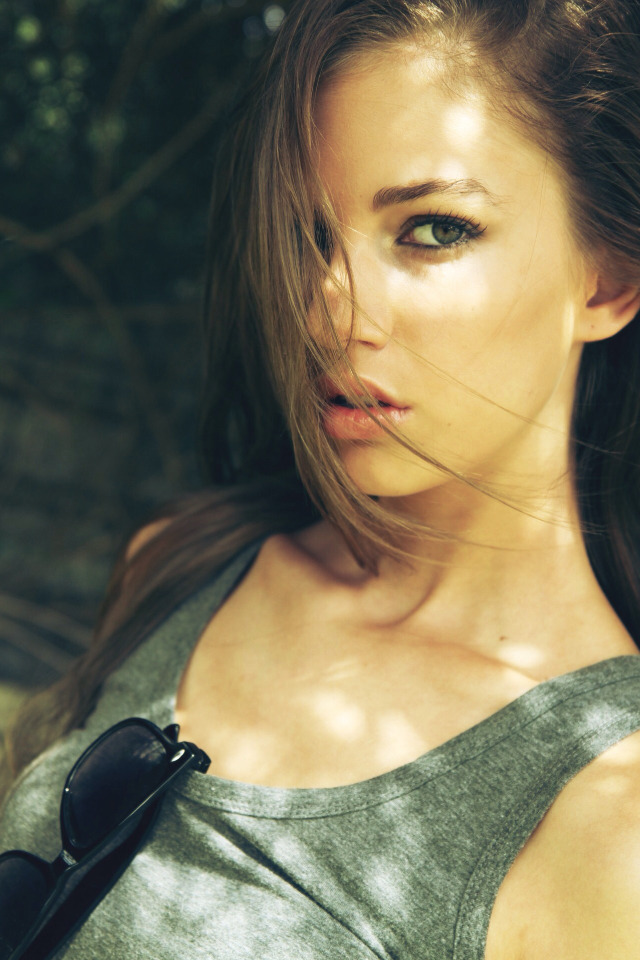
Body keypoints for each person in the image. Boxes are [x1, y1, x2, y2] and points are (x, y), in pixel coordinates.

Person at [2, 0, 640, 956]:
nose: (325, 315)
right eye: (305, 236)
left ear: (609, 279)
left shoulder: (608, 814)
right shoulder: (181, 565)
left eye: (433, 229)